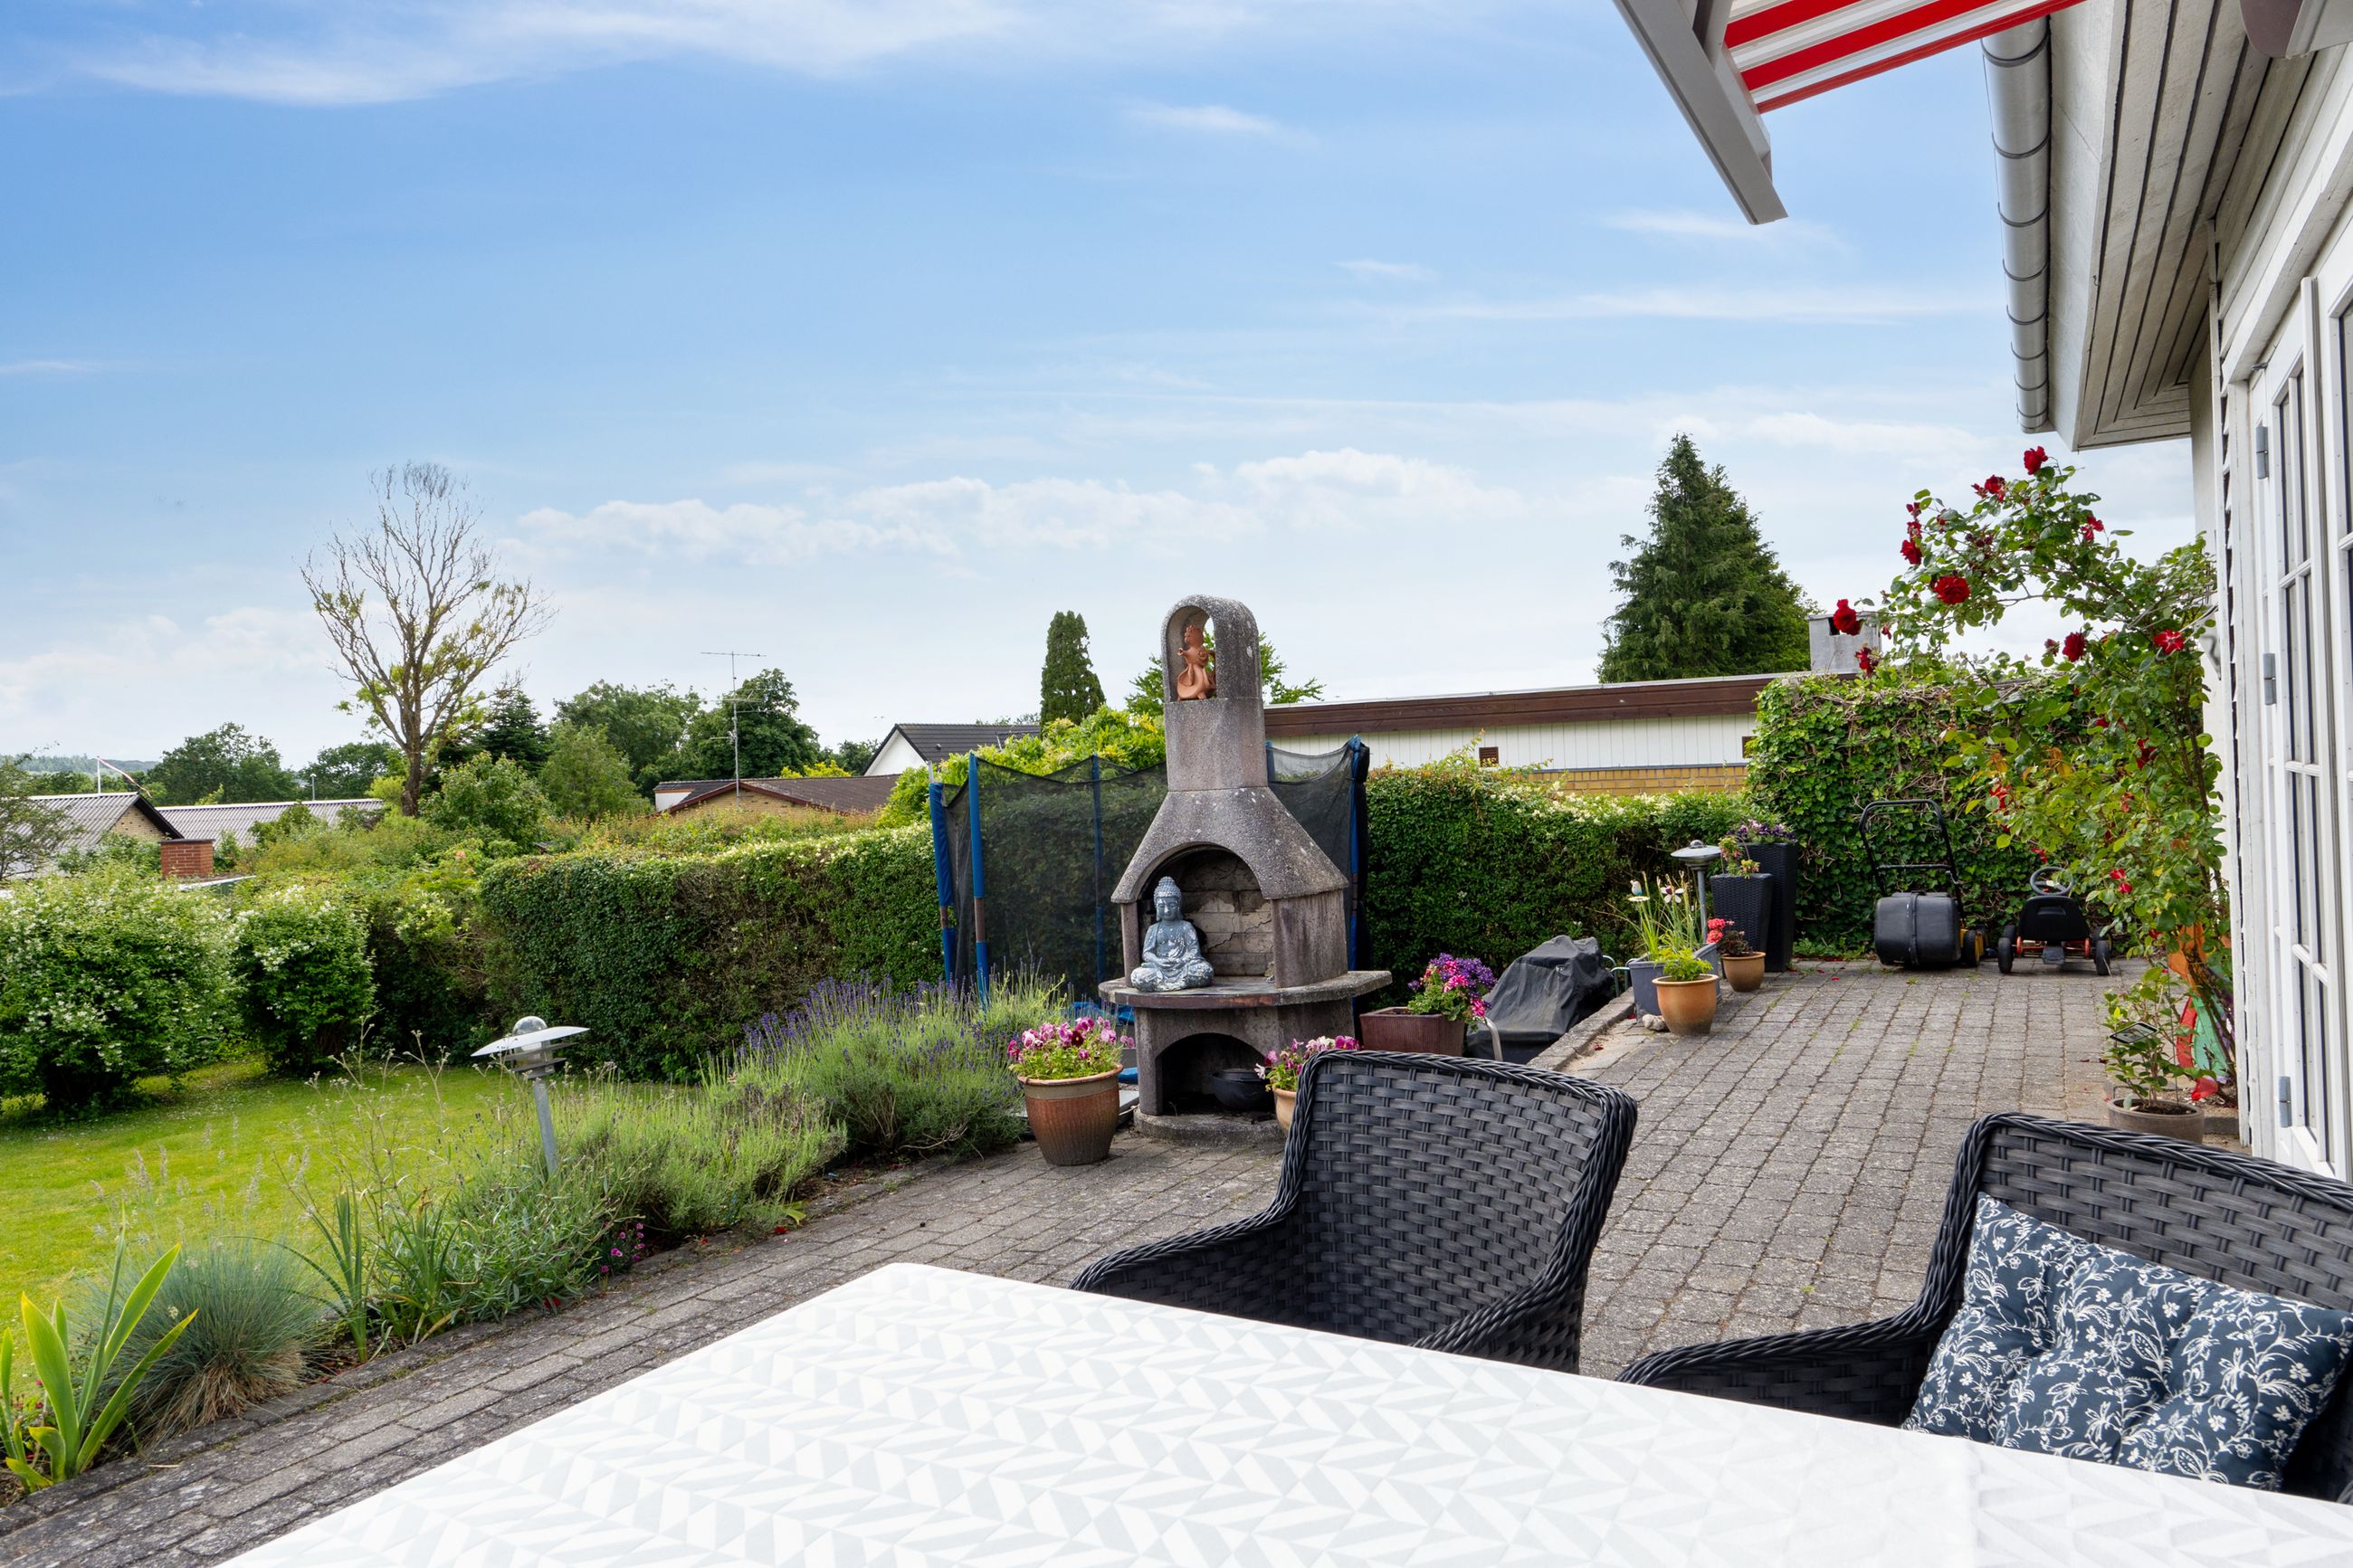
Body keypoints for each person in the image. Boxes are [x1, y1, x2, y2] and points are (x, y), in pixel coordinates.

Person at [1130, 876, 1215, 991]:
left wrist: (1181, 960)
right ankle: (1176, 983)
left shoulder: (1186, 926)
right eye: (1161, 906)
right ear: (1156, 906)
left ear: (1178, 906)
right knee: (1138, 976)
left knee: (1205, 971)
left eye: (1172, 905)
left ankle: (1167, 984)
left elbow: (1194, 951)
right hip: (1160, 968)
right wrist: (1158, 961)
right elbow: (1147, 953)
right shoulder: (1153, 929)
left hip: (1183, 966)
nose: (1167, 910)